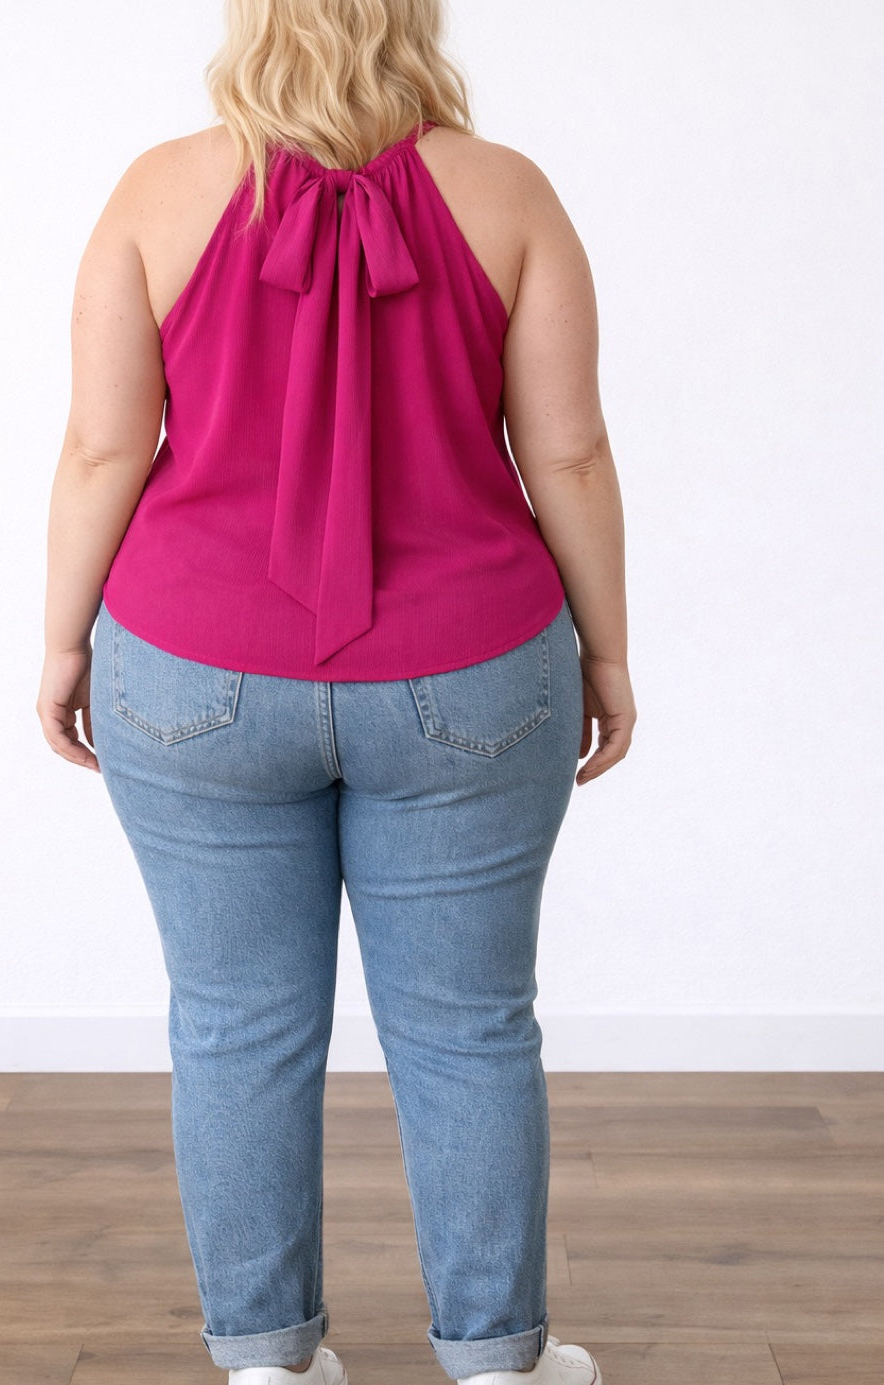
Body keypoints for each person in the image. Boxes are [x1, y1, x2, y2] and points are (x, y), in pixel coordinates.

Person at [37, 1, 634, 1381]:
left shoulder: (158, 193)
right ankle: (498, 1361)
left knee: (233, 1021)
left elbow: (99, 448)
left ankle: (267, 1363)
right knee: (471, 1024)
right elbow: (575, 455)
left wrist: (65, 643)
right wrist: (606, 652)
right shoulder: (510, 195)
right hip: (474, 672)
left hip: (193, 672)